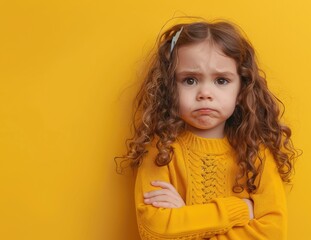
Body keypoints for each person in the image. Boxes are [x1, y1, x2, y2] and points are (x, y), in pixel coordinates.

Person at [117, 20, 299, 240]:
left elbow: (273, 233)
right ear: (169, 88)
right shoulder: (161, 151)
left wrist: (185, 219)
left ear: (241, 90)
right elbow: (155, 230)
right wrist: (240, 209)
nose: (205, 93)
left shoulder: (256, 153)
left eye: (221, 80)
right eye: (190, 80)